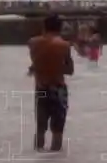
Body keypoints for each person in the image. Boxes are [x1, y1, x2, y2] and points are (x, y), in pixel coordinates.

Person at [29, 15, 74, 152]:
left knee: (40, 128)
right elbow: (70, 70)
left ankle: (39, 161)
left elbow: (35, 64)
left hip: (41, 87)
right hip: (58, 88)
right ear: (60, 28)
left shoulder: (33, 43)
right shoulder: (64, 45)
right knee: (57, 130)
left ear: (44, 27)